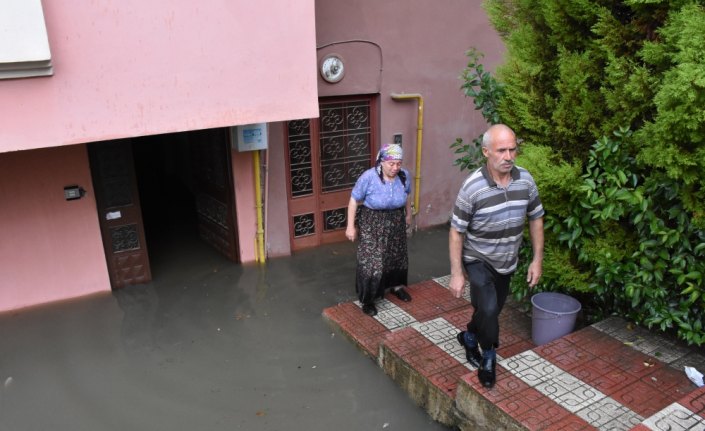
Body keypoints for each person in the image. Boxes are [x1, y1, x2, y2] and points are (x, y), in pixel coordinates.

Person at [449, 124, 544, 388]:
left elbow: (536, 218)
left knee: (491, 310)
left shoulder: (525, 180)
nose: (509, 156)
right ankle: (488, 355)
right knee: (489, 309)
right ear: (486, 152)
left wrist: (537, 259)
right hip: (478, 258)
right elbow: (456, 231)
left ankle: (470, 336)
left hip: (507, 260)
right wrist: (457, 273)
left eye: (513, 149)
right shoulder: (472, 187)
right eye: (501, 150)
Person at [346, 143, 413, 317]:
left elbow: (407, 195)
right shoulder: (368, 177)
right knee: (372, 261)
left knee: (396, 256)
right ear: (381, 161)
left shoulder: (404, 175)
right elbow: (354, 200)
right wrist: (350, 226)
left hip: (396, 220)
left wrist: (408, 215)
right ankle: (368, 299)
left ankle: (396, 287)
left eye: (398, 163)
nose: (395, 167)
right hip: (372, 221)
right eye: (391, 164)